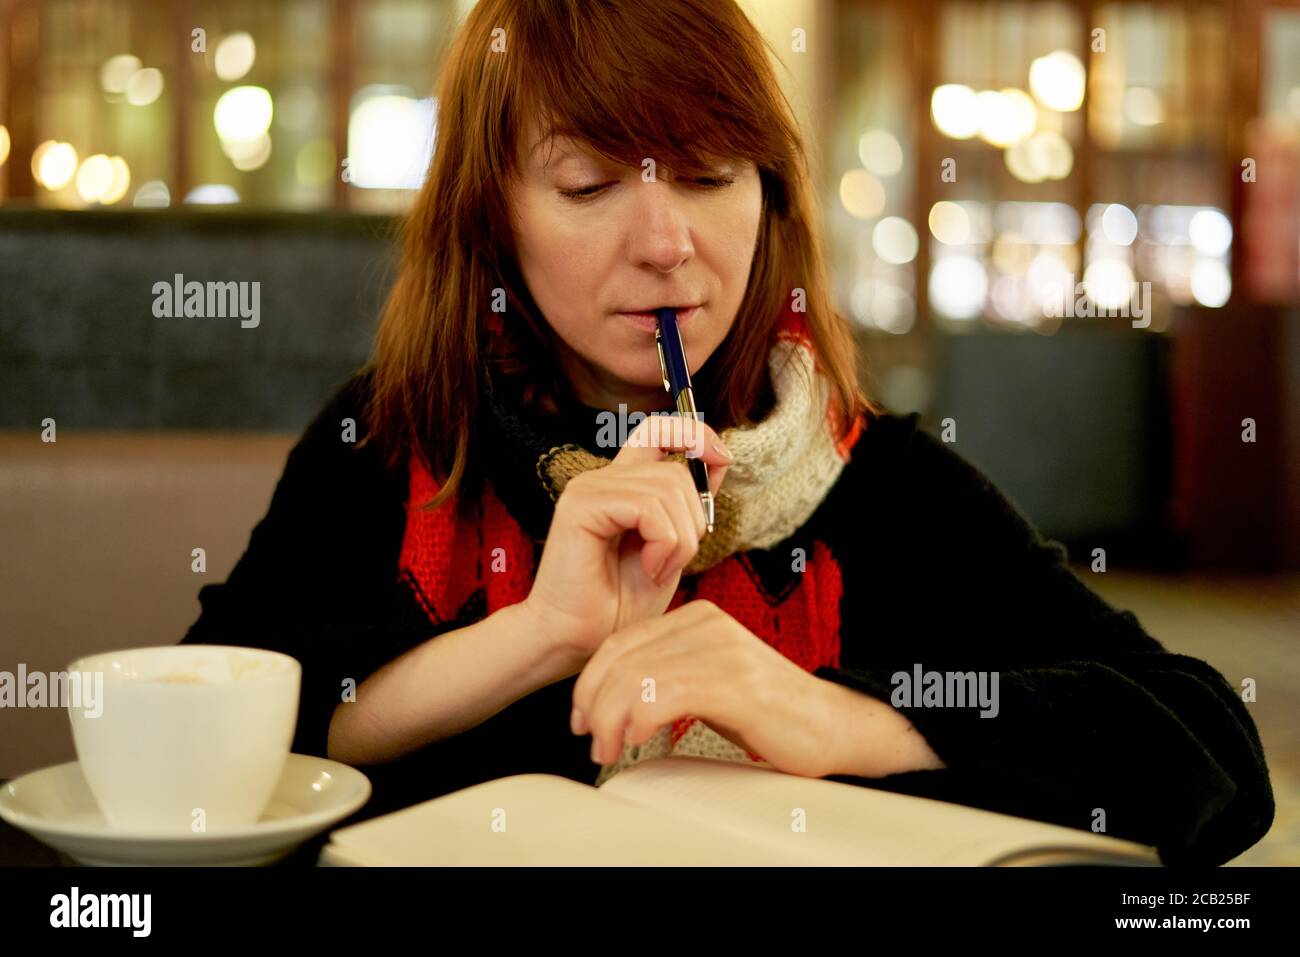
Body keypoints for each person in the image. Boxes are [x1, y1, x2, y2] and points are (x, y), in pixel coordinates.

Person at [182, 0, 1273, 866]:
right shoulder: (399, 436)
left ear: (770, 198)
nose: (664, 241)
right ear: (492, 216)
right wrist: (541, 636)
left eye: (710, 175)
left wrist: (835, 720)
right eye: (588, 182)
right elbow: (215, 731)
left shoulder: (873, 478)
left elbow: (1212, 749)